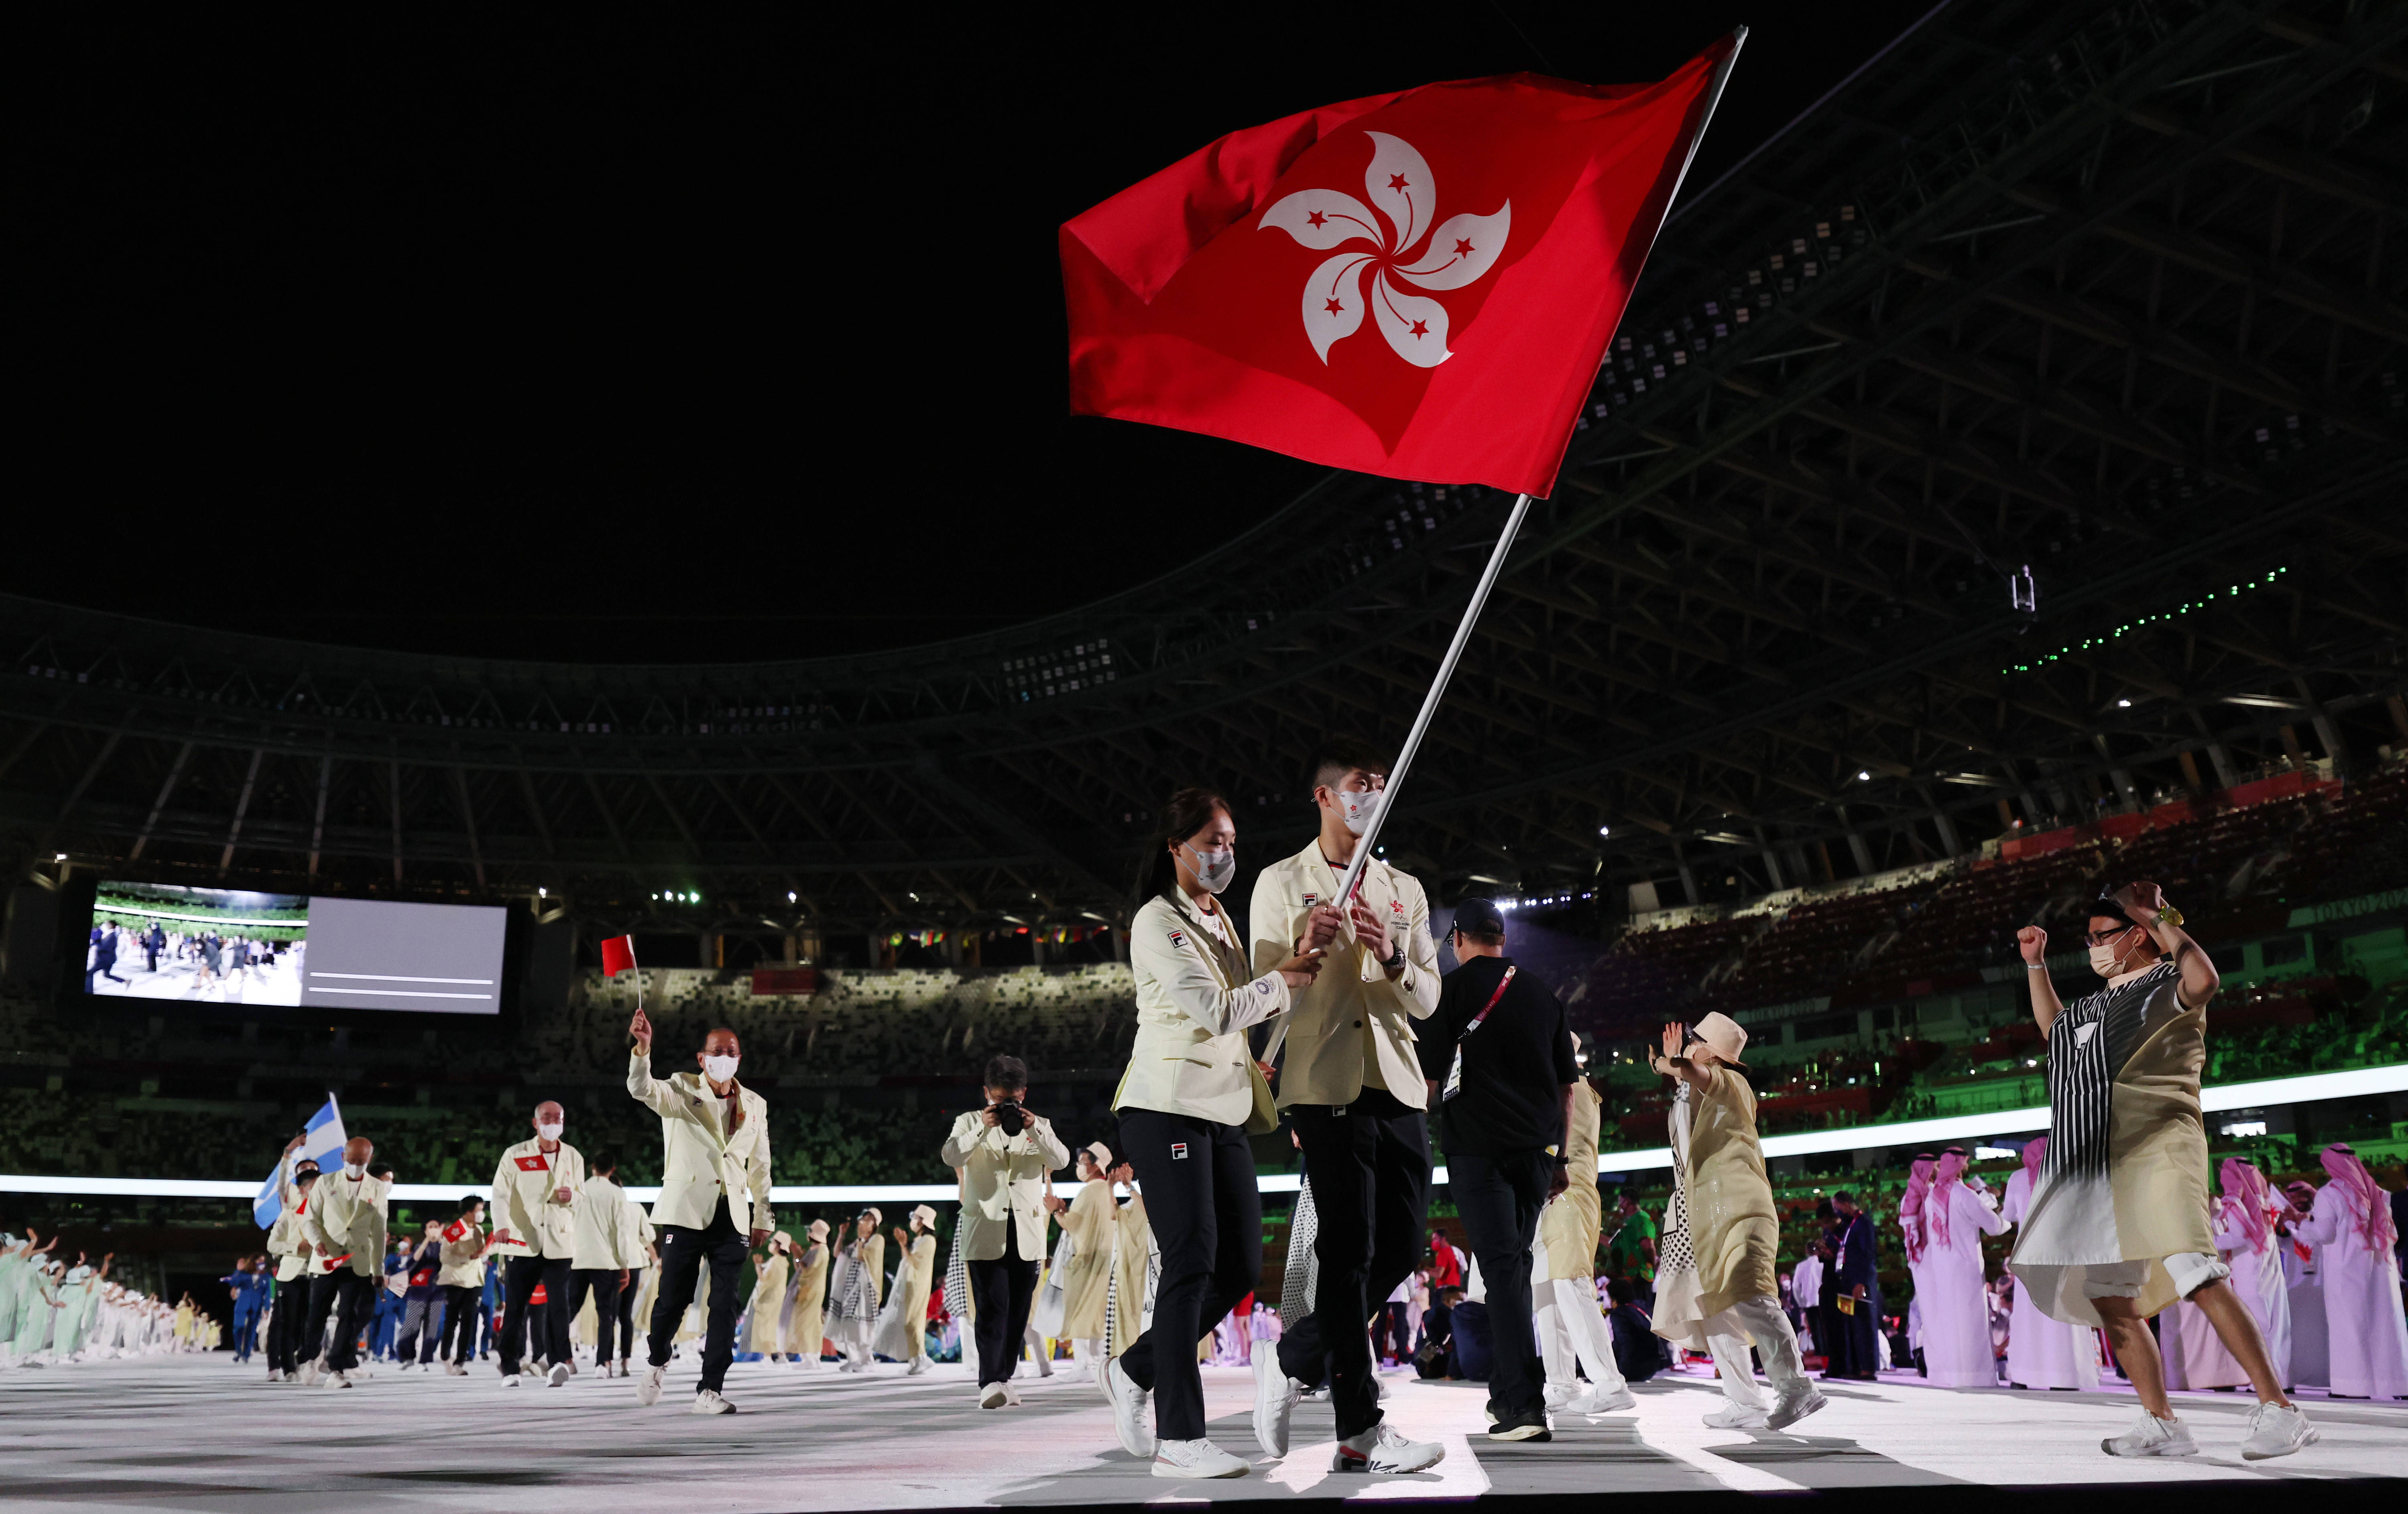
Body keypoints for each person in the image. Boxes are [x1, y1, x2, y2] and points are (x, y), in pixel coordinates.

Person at [2005, 883, 2315, 1458]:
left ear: (2138, 936)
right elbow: (2055, 1036)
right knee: (2110, 1297)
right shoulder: (2094, 1004)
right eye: (2090, 940)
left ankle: (2281, 1409)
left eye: (2103, 937)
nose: (2094, 948)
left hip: (2156, 1144)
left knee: (2195, 1269)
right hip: (2092, 1159)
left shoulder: (2164, 983)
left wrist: (2162, 913)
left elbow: (2205, 981)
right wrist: (2036, 967)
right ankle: (2162, 1423)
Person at [1249, 738, 1446, 1476]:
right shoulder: (1280, 880)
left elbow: (1427, 999)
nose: (1375, 792)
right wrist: (1303, 945)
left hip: (1396, 1081)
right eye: (1364, 782)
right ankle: (1360, 1429)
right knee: (1350, 1249)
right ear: (1327, 796)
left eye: (1384, 783)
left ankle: (1295, 1355)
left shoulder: (1405, 889)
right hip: (1323, 1082)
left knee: (1402, 1245)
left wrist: (1393, 955)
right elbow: (1262, 986)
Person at [1108, 792, 1310, 1473]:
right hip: (1166, 1105)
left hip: (1223, 1106)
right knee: (1191, 1260)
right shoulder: (1155, 921)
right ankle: (1180, 1439)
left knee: (1239, 1266)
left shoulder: (1218, 916)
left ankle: (1135, 1369)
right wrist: (1281, 981)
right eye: (1213, 840)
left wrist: (1294, 967)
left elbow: (1245, 1005)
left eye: (1230, 840)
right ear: (1177, 845)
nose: (1224, 854)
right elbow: (1217, 1008)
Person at [1413, 895, 1584, 1442]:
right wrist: (1560, 1154)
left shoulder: (1451, 990)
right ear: (1502, 939)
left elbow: (1428, 1083)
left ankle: (1523, 1405)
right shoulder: (1542, 994)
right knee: (1511, 1266)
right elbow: (1567, 1089)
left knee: (1504, 1269)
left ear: (1458, 939)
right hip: (1537, 1152)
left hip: (1478, 1150)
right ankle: (1506, 1395)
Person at [1651, 1015, 1824, 1429]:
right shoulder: (1689, 1091)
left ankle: (1797, 1386)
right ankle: (1745, 1400)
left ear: (1712, 1052)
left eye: (1696, 1041)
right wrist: (1669, 1065)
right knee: (1712, 1307)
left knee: (1751, 1294)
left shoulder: (1731, 1082)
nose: (1691, 1046)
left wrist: (1668, 1061)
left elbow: (1692, 1070)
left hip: (1739, 1207)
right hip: (1703, 1214)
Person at [624, 1009, 773, 1415]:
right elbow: (641, 1088)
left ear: (739, 1058)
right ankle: (657, 1362)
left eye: (731, 1051)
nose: (724, 1056)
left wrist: (762, 1216)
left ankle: (710, 1389)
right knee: (673, 1299)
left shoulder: (755, 1105)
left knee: (725, 1303)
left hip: (733, 1216)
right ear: (702, 1057)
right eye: (716, 1051)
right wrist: (642, 1048)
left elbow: (761, 1166)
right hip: (686, 1211)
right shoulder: (680, 1089)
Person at [942, 1053, 1070, 1408]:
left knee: (1018, 1313)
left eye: (1009, 1100)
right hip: (986, 1227)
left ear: (1023, 1094)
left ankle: (1004, 1376)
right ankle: (989, 1382)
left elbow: (1061, 1161)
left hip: (1028, 1231)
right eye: (998, 1099)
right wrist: (983, 1127)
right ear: (986, 1093)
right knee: (992, 1306)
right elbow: (951, 1156)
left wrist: (1034, 1129)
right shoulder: (968, 1121)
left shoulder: (1039, 1124)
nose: (1004, 1106)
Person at [1533, 1031, 1633, 1416]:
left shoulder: (1568, 1088)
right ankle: (1561, 1383)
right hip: (1557, 1198)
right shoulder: (1577, 1085)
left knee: (1571, 1285)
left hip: (1567, 1196)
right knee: (1546, 1294)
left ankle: (1610, 1384)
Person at [2293, 1143, 2407, 1399]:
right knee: (2385, 1326)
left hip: (2347, 1272)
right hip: (2381, 1272)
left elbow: (2324, 1233)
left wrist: (2302, 1226)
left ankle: (2353, 1387)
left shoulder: (2330, 1193)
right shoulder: (2379, 1193)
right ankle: (2394, 1385)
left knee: (2350, 1327)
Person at [489, 1099, 587, 1387]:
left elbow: (582, 1195)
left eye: (558, 1117)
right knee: (516, 1308)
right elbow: (500, 1194)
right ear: (535, 1123)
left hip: (559, 1241)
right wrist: (501, 1226)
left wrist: (574, 1197)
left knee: (560, 1307)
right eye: (547, 1117)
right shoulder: (515, 1154)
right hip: (522, 1241)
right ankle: (510, 1366)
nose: (553, 1122)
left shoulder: (573, 1156)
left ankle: (558, 1362)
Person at [2003, 1138, 2097, 1389]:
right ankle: (2065, 1376)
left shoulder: (2017, 1179)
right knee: (2062, 1313)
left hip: (2028, 1255)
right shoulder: (2067, 1175)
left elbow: (2008, 1216)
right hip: (2061, 1253)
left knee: (2028, 1315)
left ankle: (2024, 1376)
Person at [298, 1136, 388, 1389]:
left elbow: (379, 1231)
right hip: (327, 1258)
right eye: (352, 1160)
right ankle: (309, 1359)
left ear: (369, 1159)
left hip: (357, 1261)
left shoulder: (377, 1188)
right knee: (317, 1314)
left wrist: (378, 1269)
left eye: (362, 1161)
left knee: (350, 1315)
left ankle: (336, 1368)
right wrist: (317, 1242)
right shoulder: (325, 1182)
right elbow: (310, 1219)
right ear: (343, 1157)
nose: (356, 1165)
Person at [1918, 1147, 2007, 1387]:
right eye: (1966, 1163)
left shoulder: (1933, 1197)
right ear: (1959, 1165)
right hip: (1966, 1270)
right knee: (1972, 1323)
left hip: (1944, 1271)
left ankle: (1954, 1376)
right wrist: (2002, 1214)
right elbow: (1994, 1227)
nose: (1967, 1167)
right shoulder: (1963, 1194)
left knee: (1951, 1323)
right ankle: (1976, 1377)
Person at [2209, 1157, 2293, 1390]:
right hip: (2270, 1269)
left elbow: (2240, 1236)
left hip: (2249, 1271)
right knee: (2276, 1325)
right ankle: (2282, 1379)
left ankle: (2266, 1382)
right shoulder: (2265, 1203)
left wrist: (2210, 1243)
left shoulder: (2235, 1202)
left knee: (2256, 1324)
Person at [1047, 1142, 1117, 1379]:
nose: (1079, 1166)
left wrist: (1057, 1211)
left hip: (1087, 1261)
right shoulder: (1104, 1190)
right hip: (1103, 1261)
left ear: (1096, 1166)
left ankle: (1081, 1366)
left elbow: (1072, 1225)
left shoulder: (1089, 1192)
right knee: (1095, 1313)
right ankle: (1096, 1364)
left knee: (1079, 1312)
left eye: (1083, 1162)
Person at [567, 1155, 635, 1377]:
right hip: (606, 1261)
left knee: (568, 1311)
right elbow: (621, 1232)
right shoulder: (617, 1194)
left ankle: (563, 1358)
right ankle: (603, 1364)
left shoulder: (578, 1191)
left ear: (593, 1168)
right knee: (605, 1314)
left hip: (577, 1259)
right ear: (613, 1169)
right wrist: (624, 1264)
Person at [433, 1195, 493, 1376]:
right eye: (479, 1210)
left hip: (475, 1280)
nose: (482, 1214)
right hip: (456, 1280)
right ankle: (446, 1356)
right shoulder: (455, 1230)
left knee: (470, 1320)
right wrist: (468, 1257)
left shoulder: (480, 1229)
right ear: (468, 1212)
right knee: (451, 1320)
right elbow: (445, 1257)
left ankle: (461, 1360)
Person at [1826, 1190, 1881, 1380]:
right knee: (1854, 1325)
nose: (1836, 1212)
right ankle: (1857, 1366)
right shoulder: (1851, 1225)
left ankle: (1868, 1368)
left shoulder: (1863, 1224)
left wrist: (1861, 1282)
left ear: (1846, 1204)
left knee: (1865, 1324)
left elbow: (1868, 1254)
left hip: (1860, 1281)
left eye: (1837, 1207)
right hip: (1849, 1279)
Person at [880, 1206, 939, 1374]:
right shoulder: (919, 1241)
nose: (913, 1221)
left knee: (913, 1323)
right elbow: (907, 1260)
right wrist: (903, 1244)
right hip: (910, 1285)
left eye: (916, 1217)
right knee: (908, 1323)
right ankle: (915, 1361)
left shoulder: (929, 1241)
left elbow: (914, 1263)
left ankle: (921, 1358)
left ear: (923, 1222)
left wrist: (904, 1244)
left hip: (917, 1286)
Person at [825, 1208, 885, 1370]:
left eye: (868, 1220)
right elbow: (838, 1253)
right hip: (851, 1290)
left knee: (862, 1326)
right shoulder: (857, 1242)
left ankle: (867, 1360)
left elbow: (862, 1257)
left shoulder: (877, 1240)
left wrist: (861, 1241)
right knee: (848, 1324)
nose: (862, 1222)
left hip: (866, 1291)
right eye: (862, 1219)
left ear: (875, 1226)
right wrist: (842, 1234)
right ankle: (854, 1359)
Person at [393, 1222, 447, 1368]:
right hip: (419, 1291)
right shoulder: (420, 1247)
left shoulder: (446, 1246)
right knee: (411, 1325)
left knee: (434, 1327)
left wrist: (442, 1239)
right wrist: (427, 1240)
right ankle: (407, 1357)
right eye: (430, 1227)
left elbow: (449, 1259)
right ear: (425, 1231)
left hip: (438, 1292)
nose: (434, 1230)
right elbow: (414, 1260)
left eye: (436, 1227)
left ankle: (425, 1359)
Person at [744, 1232, 794, 1362]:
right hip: (777, 1299)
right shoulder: (782, 1262)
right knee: (775, 1327)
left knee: (766, 1328)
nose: (771, 1245)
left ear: (779, 1246)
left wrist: (758, 1265)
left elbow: (764, 1280)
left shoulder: (776, 1262)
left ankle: (767, 1357)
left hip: (769, 1300)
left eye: (773, 1243)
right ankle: (782, 1356)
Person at [790, 1218, 830, 1368]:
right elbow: (801, 1269)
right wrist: (798, 1255)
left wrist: (799, 1255)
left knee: (805, 1323)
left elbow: (808, 1270)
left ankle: (809, 1358)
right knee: (811, 1323)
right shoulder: (816, 1249)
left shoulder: (821, 1250)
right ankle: (812, 1357)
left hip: (811, 1291)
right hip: (810, 1290)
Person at [222, 1255, 267, 1365]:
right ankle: (238, 1350)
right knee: (238, 1327)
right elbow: (233, 1283)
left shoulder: (265, 1277)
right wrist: (238, 1270)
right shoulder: (243, 1275)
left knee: (251, 1330)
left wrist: (267, 1307)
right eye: (260, 1261)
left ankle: (246, 1353)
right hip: (242, 1304)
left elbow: (268, 1292)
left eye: (263, 1262)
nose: (262, 1264)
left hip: (256, 1306)